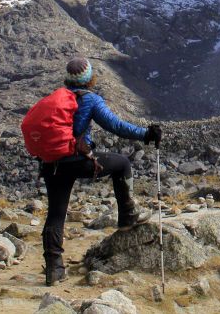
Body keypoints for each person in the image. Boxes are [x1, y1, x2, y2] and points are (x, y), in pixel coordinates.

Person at [40, 57, 162, 286]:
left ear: (68, 79)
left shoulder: (56, 99)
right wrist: (146, 134)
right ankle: (128, 216)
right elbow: (116, 126)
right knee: (123, 163)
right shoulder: (90, 100)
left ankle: (53, 270)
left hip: (53, 163)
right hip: (77, 160)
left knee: (56, 214)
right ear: (90, 79)